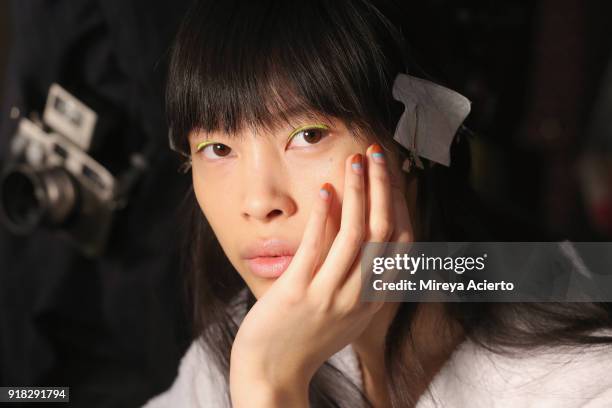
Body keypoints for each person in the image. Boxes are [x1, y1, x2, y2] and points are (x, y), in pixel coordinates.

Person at [144, 0, 612, 407]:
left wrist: (268, 385)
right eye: (218, 149)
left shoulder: (585, 382)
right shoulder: (251, 338)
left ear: (418, 139)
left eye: (308, 135)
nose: (259, 201)